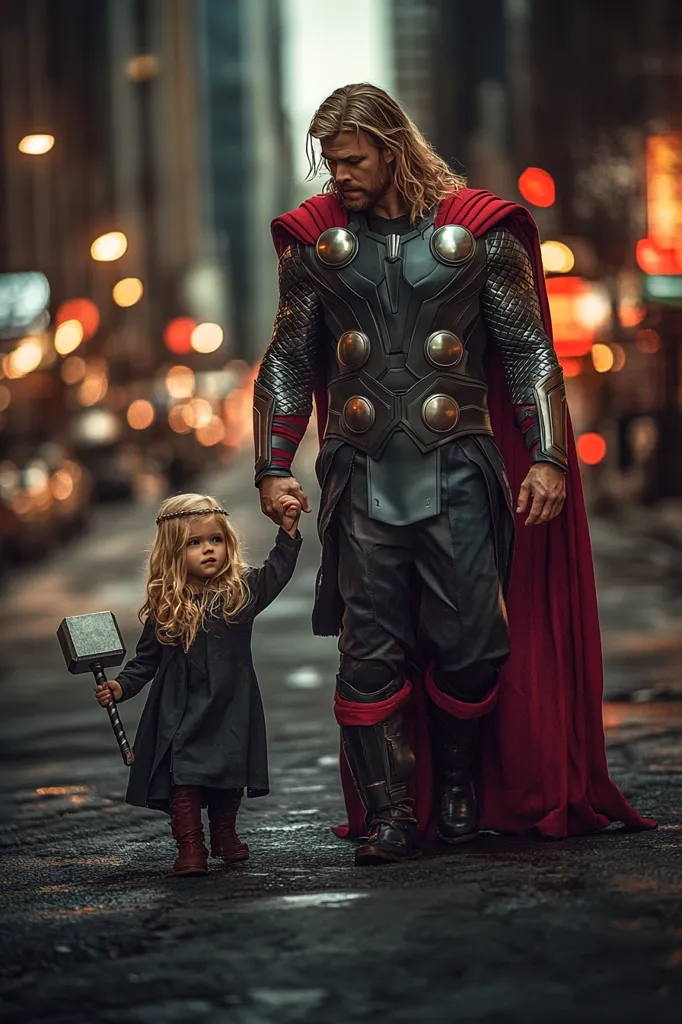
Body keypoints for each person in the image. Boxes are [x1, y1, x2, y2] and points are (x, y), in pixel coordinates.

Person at [253, 83, 654, 866]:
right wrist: (271, 467)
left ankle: (461, 782)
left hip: (464, 471)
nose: (338, 175)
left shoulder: (480, 237)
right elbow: (288, 361)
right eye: (329, 163)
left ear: (393, 148)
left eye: (352, 159)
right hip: (360, 476)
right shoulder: (315, 247)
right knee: (370, 648)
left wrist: (547, 457)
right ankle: (393, 813)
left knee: (475, 641)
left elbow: (531, 351)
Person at [94, 492, 302, 877]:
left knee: (228, 771)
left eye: (215, 540)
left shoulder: (241, 592)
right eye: (195, 543)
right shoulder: (167, 604)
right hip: (180, 708)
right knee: (183, 776)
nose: (208, 550)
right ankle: (191, 846)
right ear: (174, 552)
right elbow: (145, 661)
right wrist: (121, 687)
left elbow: (277, 571)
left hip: (230, 702)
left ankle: (225, 834)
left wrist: (287, 532)